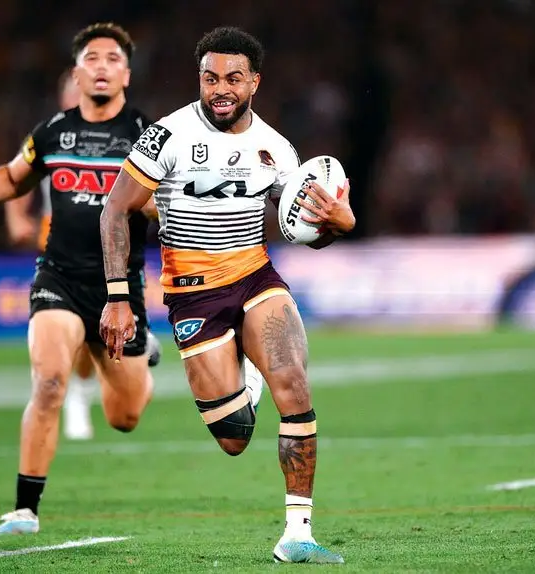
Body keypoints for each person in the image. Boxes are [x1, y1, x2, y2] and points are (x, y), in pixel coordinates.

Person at [98, 26, 355, 564]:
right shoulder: (166, 137)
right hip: (193, 294)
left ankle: (298, 533)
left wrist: (339, 222)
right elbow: (116, 209)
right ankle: (249, 370)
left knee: (296, 385)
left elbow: (305, 228)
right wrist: (119, 297)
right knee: (235, 437)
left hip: (255, 278)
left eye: (233, 78)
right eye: (210, 77)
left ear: (254, 82)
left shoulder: (278, 150)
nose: (220, 88)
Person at [0, 22, 158, 536]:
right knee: (50, 381)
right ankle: (25, 509)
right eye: (91, 59)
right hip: (58, 277)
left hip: (120, 290)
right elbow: (12, 178)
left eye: (112, 59)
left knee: (125, 417)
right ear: (76, 73)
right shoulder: (53, 131)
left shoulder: (149, 135)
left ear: (127, 72)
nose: (101, 66)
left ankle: (144, 362)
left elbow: (169, 208)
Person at [2, 68, 154, 441]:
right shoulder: (55, 133)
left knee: (94, 344)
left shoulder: (125, 135)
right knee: (68, 330)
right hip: (60, 247)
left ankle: (101, 380)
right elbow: (18, 177)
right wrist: (16, 217)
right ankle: (74, 399)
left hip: (114, 253)